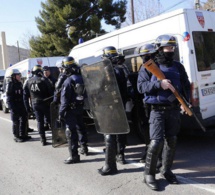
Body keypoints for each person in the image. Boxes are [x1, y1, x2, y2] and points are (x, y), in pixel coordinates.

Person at [137, 35, 191, 190]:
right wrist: (159, 84)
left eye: (173, 47)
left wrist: (185, 103)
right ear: (159, 48)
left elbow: (185, 85)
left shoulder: (178, 66)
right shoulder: (148, 66)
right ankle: (149, 175)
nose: (171, 50)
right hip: (157, 111)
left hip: (173, 110)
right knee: (156, 143)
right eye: (168, 47)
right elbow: (141, 87)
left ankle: (166, 170)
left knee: (172, 141)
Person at [98, 46, 128, 176]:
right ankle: (120, 154)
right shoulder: (122, 70)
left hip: (110, 106)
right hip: (120, 105)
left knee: (109, 133)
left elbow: (102, 90)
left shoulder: (107, 72)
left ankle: (110, 166)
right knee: (121, 131)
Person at [137, 44, 163, 171]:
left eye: (146, 55)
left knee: (157, 135)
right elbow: (141, 87)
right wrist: (158, 84)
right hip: (153, 104)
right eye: (143, 56)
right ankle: (158, 159)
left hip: (161, 105)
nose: (145, 58)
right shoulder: (145, 68)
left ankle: (160, 160)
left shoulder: (162, 65)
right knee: (155, 135)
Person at [59, 56, 88, 164]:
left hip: (70, 111)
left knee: (70, 133)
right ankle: (84, 147)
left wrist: (61, 113)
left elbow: (64, 100)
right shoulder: (81, 78)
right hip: (80, 108)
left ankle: (74, 156)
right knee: (81, 128)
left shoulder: (68, 81)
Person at [23, 65, 54, 146]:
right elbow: (51, 92)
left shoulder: (28, 81)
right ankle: (55, 137)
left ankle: (42, 139)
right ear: (40, 72)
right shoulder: (44, 80)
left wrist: (27, 108)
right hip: (45, 103)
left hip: (35, 104)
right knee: (50, 120)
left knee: (40, 122)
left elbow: (25, 96)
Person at [5, 69, 31, 142]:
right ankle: (16, 136)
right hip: (15, 105)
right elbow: (9, 99)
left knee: (24, 119)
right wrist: (12, 108)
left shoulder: (19, 83)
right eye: (18, 75)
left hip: (21, 104)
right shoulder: (10, 85)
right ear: (13, 76)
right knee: (16, 121)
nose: (19, 76)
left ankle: (23, 134)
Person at [43, 66, 57, 130]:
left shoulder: (53, 79)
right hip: (44, 99)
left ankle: (52, 124)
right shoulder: (41, 80)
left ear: (49, 72)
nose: (46, 73)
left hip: (51, 98)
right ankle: (46, 123)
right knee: (45, 113)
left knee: (52, 113)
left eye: (47, 72)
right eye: (45, 72)